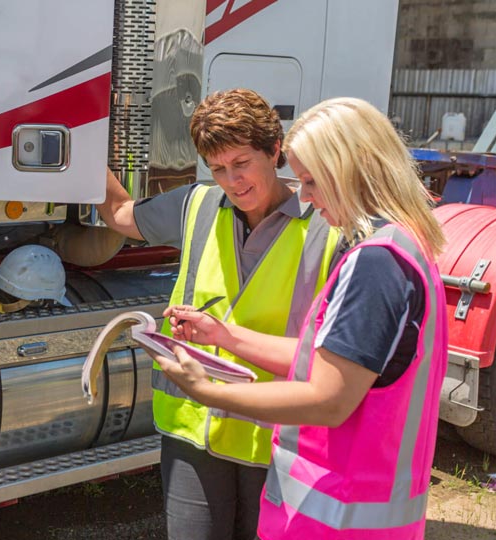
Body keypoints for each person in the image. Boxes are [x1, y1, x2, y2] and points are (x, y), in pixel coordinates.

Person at [161, 97, 447, 539]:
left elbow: (328, 399)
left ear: (352, 170)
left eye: (312, 181)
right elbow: (325, 361)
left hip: (335, 514)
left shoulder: (374, 265)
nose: (306, 197)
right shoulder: (405, 248)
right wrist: (225, 336)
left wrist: (204, 389)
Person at [97, 88, 341, 540]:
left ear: (275, 151)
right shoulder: (197, 204)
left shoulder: (326, 225)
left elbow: (329, 357)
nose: (232, 181)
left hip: (278, 440)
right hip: (194, 432)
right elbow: (120, 213)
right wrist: (84, 161)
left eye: (242, 163)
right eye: (219, 169)